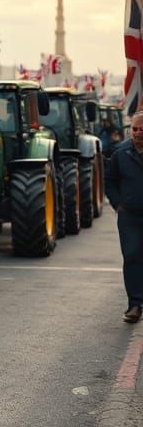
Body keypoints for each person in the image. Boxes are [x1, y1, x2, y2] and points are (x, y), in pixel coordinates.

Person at [105, 111, 143, 323]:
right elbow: (110, 181)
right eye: (135, 129)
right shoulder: (120, 154)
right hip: (129, 216)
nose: (138, 133)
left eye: (142, 129)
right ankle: (135, 305)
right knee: (131, 257)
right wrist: (118, 203)